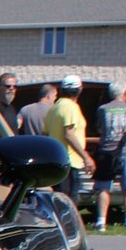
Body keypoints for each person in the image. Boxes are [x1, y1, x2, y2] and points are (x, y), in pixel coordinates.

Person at [91, 83, 126, 231]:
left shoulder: (102, 109)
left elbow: (99, 128)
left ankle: (101, 221)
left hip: (106, 151)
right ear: (125, 93)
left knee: (103, 187)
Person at [42, 76, 91, 205]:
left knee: (58, 200)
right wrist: (85, 157)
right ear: (78, 90)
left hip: (57, 161)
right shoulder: (70, 107)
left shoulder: (54, 107)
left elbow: (45, 134)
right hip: (69, 161)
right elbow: (69, 134)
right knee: (69, 202)